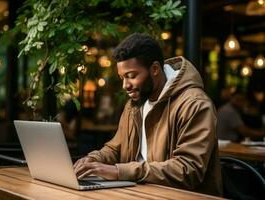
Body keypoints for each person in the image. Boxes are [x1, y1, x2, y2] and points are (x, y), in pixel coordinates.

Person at [74, 33, 222, 196]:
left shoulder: (195, 104)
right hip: (138, 192)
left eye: (131, 76)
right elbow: (115, 147)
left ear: (155, 69)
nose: (125, 85)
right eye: (122, 77)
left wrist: (119, 171)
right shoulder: (134, 105)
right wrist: (93, 160)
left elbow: (187, 169)